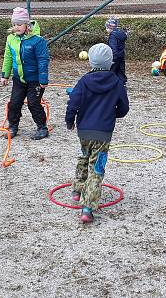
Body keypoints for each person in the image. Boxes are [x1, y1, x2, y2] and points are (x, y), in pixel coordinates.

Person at [65, 43, 130, 224]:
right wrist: (113, 113)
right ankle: (87, 208)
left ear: (91, 62)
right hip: (103, 133)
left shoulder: (84, 81)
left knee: (84, 156)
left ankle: (77, 191)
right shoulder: (117, 83)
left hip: (84, 131)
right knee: (97, 168)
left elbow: (73, 103)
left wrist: (70, 120)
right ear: (111, 62)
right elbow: (124, 108)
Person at [0, 7, 50, 140]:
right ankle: (13, 126)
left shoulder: (38, 41)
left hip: (35, 80)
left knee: (34, 103)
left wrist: (43, 79)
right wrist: (5, 75)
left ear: (27, 25)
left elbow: (43, 60)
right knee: (14, 103)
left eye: (19, 24)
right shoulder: (11, 39)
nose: (16, 27)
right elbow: (8, 57)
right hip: (18, 79)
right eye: (14, 24)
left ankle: (42, 127)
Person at [105, 16, 127, 84]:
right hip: (121, 56)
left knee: (112, 71)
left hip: (114, 57)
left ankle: (110, 83)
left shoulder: (113, 36)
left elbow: (113, 47)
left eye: (106, 28)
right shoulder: (121, 34)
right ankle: (122, 83)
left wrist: (112, 58)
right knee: (120, 70)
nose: (106, 29)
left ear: (110, 28)